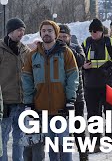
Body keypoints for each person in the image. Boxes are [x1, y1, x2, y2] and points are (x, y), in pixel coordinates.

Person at [22, 20, 79, 161]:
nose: (46, 33)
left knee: (64, 145)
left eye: (49, 31)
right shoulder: (32, 55)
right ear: (40, 33)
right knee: (51, 146)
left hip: (62, 108)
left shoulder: (66, 53)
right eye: (44, 31)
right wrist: (29, 103)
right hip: (42, 109)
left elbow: (73, 77)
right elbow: (27, 80)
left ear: (56, 33)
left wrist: (70, 100)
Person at [82, 18, 112, 152]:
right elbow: (81, 61)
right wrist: (84, 67)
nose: (93, 33)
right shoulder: (86, 42)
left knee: (110, 113)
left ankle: (111, 139)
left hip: (107, 83)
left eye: (96, 31)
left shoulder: (109, 42)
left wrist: (107, 70)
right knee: (93, 115)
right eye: (91, 31)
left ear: (101, 31)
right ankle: (95, 141)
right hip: (90, 84)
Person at [0, 18, 30, 161]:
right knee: (3, 139)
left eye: (23, 30)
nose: (22, 33)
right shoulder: (0, 49)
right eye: (19, 30)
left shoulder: (25, 50)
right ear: (10, 31)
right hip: (5, 102)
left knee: (20, 140)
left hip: (21, 102)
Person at [58, 24, 88, 160]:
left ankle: (83, 154)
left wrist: (67, 49)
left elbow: (81, 60)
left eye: (65, 37)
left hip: (77, 95)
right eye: (60, 37)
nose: (62, 39)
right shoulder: (53, 49)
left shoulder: (76, 47)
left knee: (78, 127)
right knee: (63, 129)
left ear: (69, 37)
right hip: (59, 95)